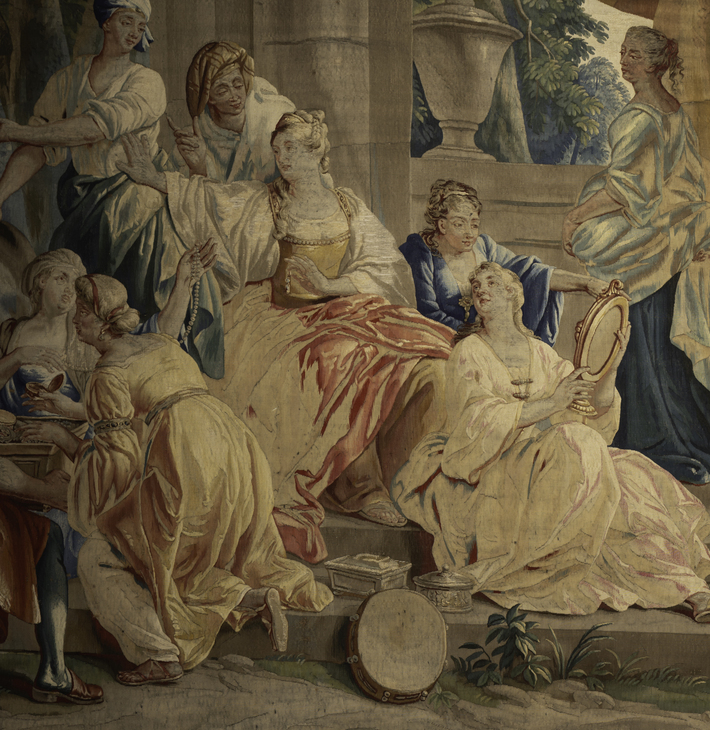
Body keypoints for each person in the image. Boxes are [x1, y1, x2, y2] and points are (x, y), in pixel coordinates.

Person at [121, 110, 453, 560]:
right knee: (338, 357)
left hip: (341, 306)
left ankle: (404, 481)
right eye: (277, 150)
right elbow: (212, 199)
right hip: (278, 315)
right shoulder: (268, 201)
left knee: (420, 354)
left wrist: (331, 284)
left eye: (292, 149)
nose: (282, 158)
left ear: (317, 152)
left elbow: (385, 265)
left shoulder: (347, 205)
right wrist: (155, 178)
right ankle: (357, 487)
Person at [392, 262, 710, 622]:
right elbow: (475, 422)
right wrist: (551, 404)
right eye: (476, 285)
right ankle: (515, 565)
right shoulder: (469, 351)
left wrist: (610, 367)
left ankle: (696, 595)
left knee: (632, 481)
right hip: (497, 466)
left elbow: (589, 414)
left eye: (492, 282)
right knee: (579, 446)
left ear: (514, 295)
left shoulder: (542, 353)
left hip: (551, 459)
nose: (481, 289)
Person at [21, 272, 332, 684]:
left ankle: (160, 655)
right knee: (186, 559)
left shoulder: (106, 373)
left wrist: (60, 437)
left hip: (185, 460)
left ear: (103, 322)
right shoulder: (157, 343)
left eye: (82, 313)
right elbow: (141, 402)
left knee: (103, 555)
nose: (75, 321)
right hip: (233, 450)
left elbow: (115, 465)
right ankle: (253, 596)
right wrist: (72, 409)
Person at [561, 26, 710, 489]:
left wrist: (575, 217)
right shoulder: (674, 111)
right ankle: (687, 435)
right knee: (659, 338)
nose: (625, 61)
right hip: (672, 236)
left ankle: (656, 439)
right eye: (624, 52)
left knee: (643, 334)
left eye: (635, 55)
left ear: (655, 64)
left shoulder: (639, 118)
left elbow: (628, 190)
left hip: (644, 243)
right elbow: (688, 182)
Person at [0, 244, 216, 700]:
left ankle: (70, 662)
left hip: (75, 461)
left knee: (63, 534)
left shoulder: (85, 338)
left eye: (75, 282)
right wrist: (17, 359)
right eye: (61, 277)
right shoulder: (12, 333)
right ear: (39, 282)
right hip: (16, 449)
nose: (69, 291)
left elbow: (155, 336)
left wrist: (183, 283)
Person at [0, 0, 172, 319]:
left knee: (126, 290)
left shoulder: (147, 83)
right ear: (106, 22)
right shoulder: (69, 78)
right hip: (83, 197)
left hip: (136, 200)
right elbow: (39, 145)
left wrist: (15, 131)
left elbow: (96, 127)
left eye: (140, 26)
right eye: (126, 21)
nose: (134, 32)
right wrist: (1, 193)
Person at [400, 178, 603, 344]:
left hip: (489, 341)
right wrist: (481, 336)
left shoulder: (484, 247)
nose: (469, 233)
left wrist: (587, 283)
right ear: (442, 225)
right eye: (459, 224)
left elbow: (532, 273)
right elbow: (427, 314)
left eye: (474, 224)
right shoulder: (421, 254)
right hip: (443, 342)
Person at [167, 41, 295, 184]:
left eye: (238, 85)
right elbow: (185, 193)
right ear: (207, 97)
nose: (234, 96)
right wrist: (198, 168)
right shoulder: (193, 141)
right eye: (222, 90)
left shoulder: (272, 121)